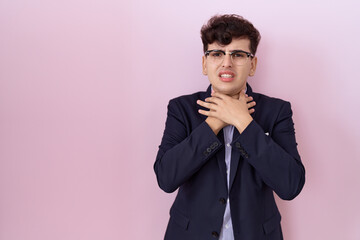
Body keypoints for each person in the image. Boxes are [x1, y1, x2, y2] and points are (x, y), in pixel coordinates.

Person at [154, 14, 305, 240]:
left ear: (252, 65)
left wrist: (243, 122)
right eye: (216, 54)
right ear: (205, 64)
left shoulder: (277, 112)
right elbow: (166, 178)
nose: (227, 63)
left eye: (238, 54)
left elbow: (291, 185)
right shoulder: (181, 109)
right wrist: (215, 122)